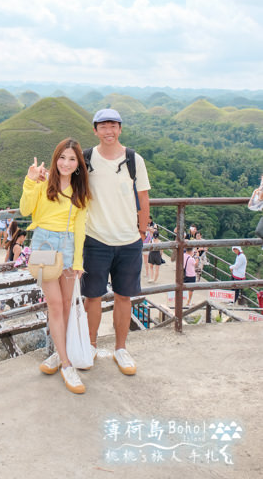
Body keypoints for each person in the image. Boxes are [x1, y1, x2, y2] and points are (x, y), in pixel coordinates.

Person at [81, 109, 150, 376]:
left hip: (129, 240)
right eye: (103, 126)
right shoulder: (87, 159)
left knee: (124, 296)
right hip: (96, 238)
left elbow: (143, 198)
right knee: (92, 297)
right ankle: (90, 346)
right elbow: (65, 182)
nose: (109, 131)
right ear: (95, 130)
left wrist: (141, 231)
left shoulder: (134, 160)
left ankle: (121, 348)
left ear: (120, 128)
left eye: (113, 126)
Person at [20, 138, 89, 394]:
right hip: (45, 244)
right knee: (56, 305)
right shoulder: (42, 184)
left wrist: (79, 260)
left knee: (67, 307)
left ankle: (58, 354)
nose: (66, 163)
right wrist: (29, 180)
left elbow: (81, 228)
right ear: (55, 158)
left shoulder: (80, 190)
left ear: (78, 164)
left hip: (70, 247)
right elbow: (25, 209)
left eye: (72, 159)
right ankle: (67, 364)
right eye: (62, 157)